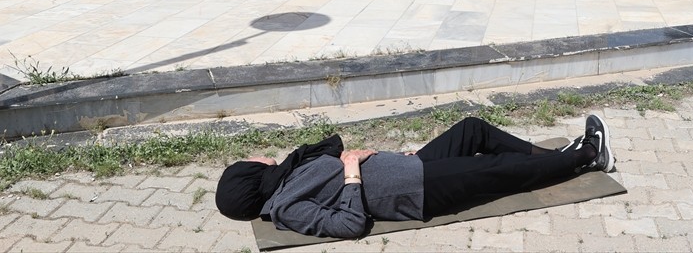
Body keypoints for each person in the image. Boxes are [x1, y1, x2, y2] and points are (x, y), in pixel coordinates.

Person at [215, 114, 615, 238]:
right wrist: (353, 174)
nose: (256, 156)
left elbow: (337, 171)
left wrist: (372, 155)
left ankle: (554, 155)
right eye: (250, 163)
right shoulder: (286, 208)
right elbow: (349, 224)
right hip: (419, 190)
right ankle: (589, 155)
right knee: (500, 172)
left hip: (408, 167)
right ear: (251, 181)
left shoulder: (287, 177)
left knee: (471, 129)